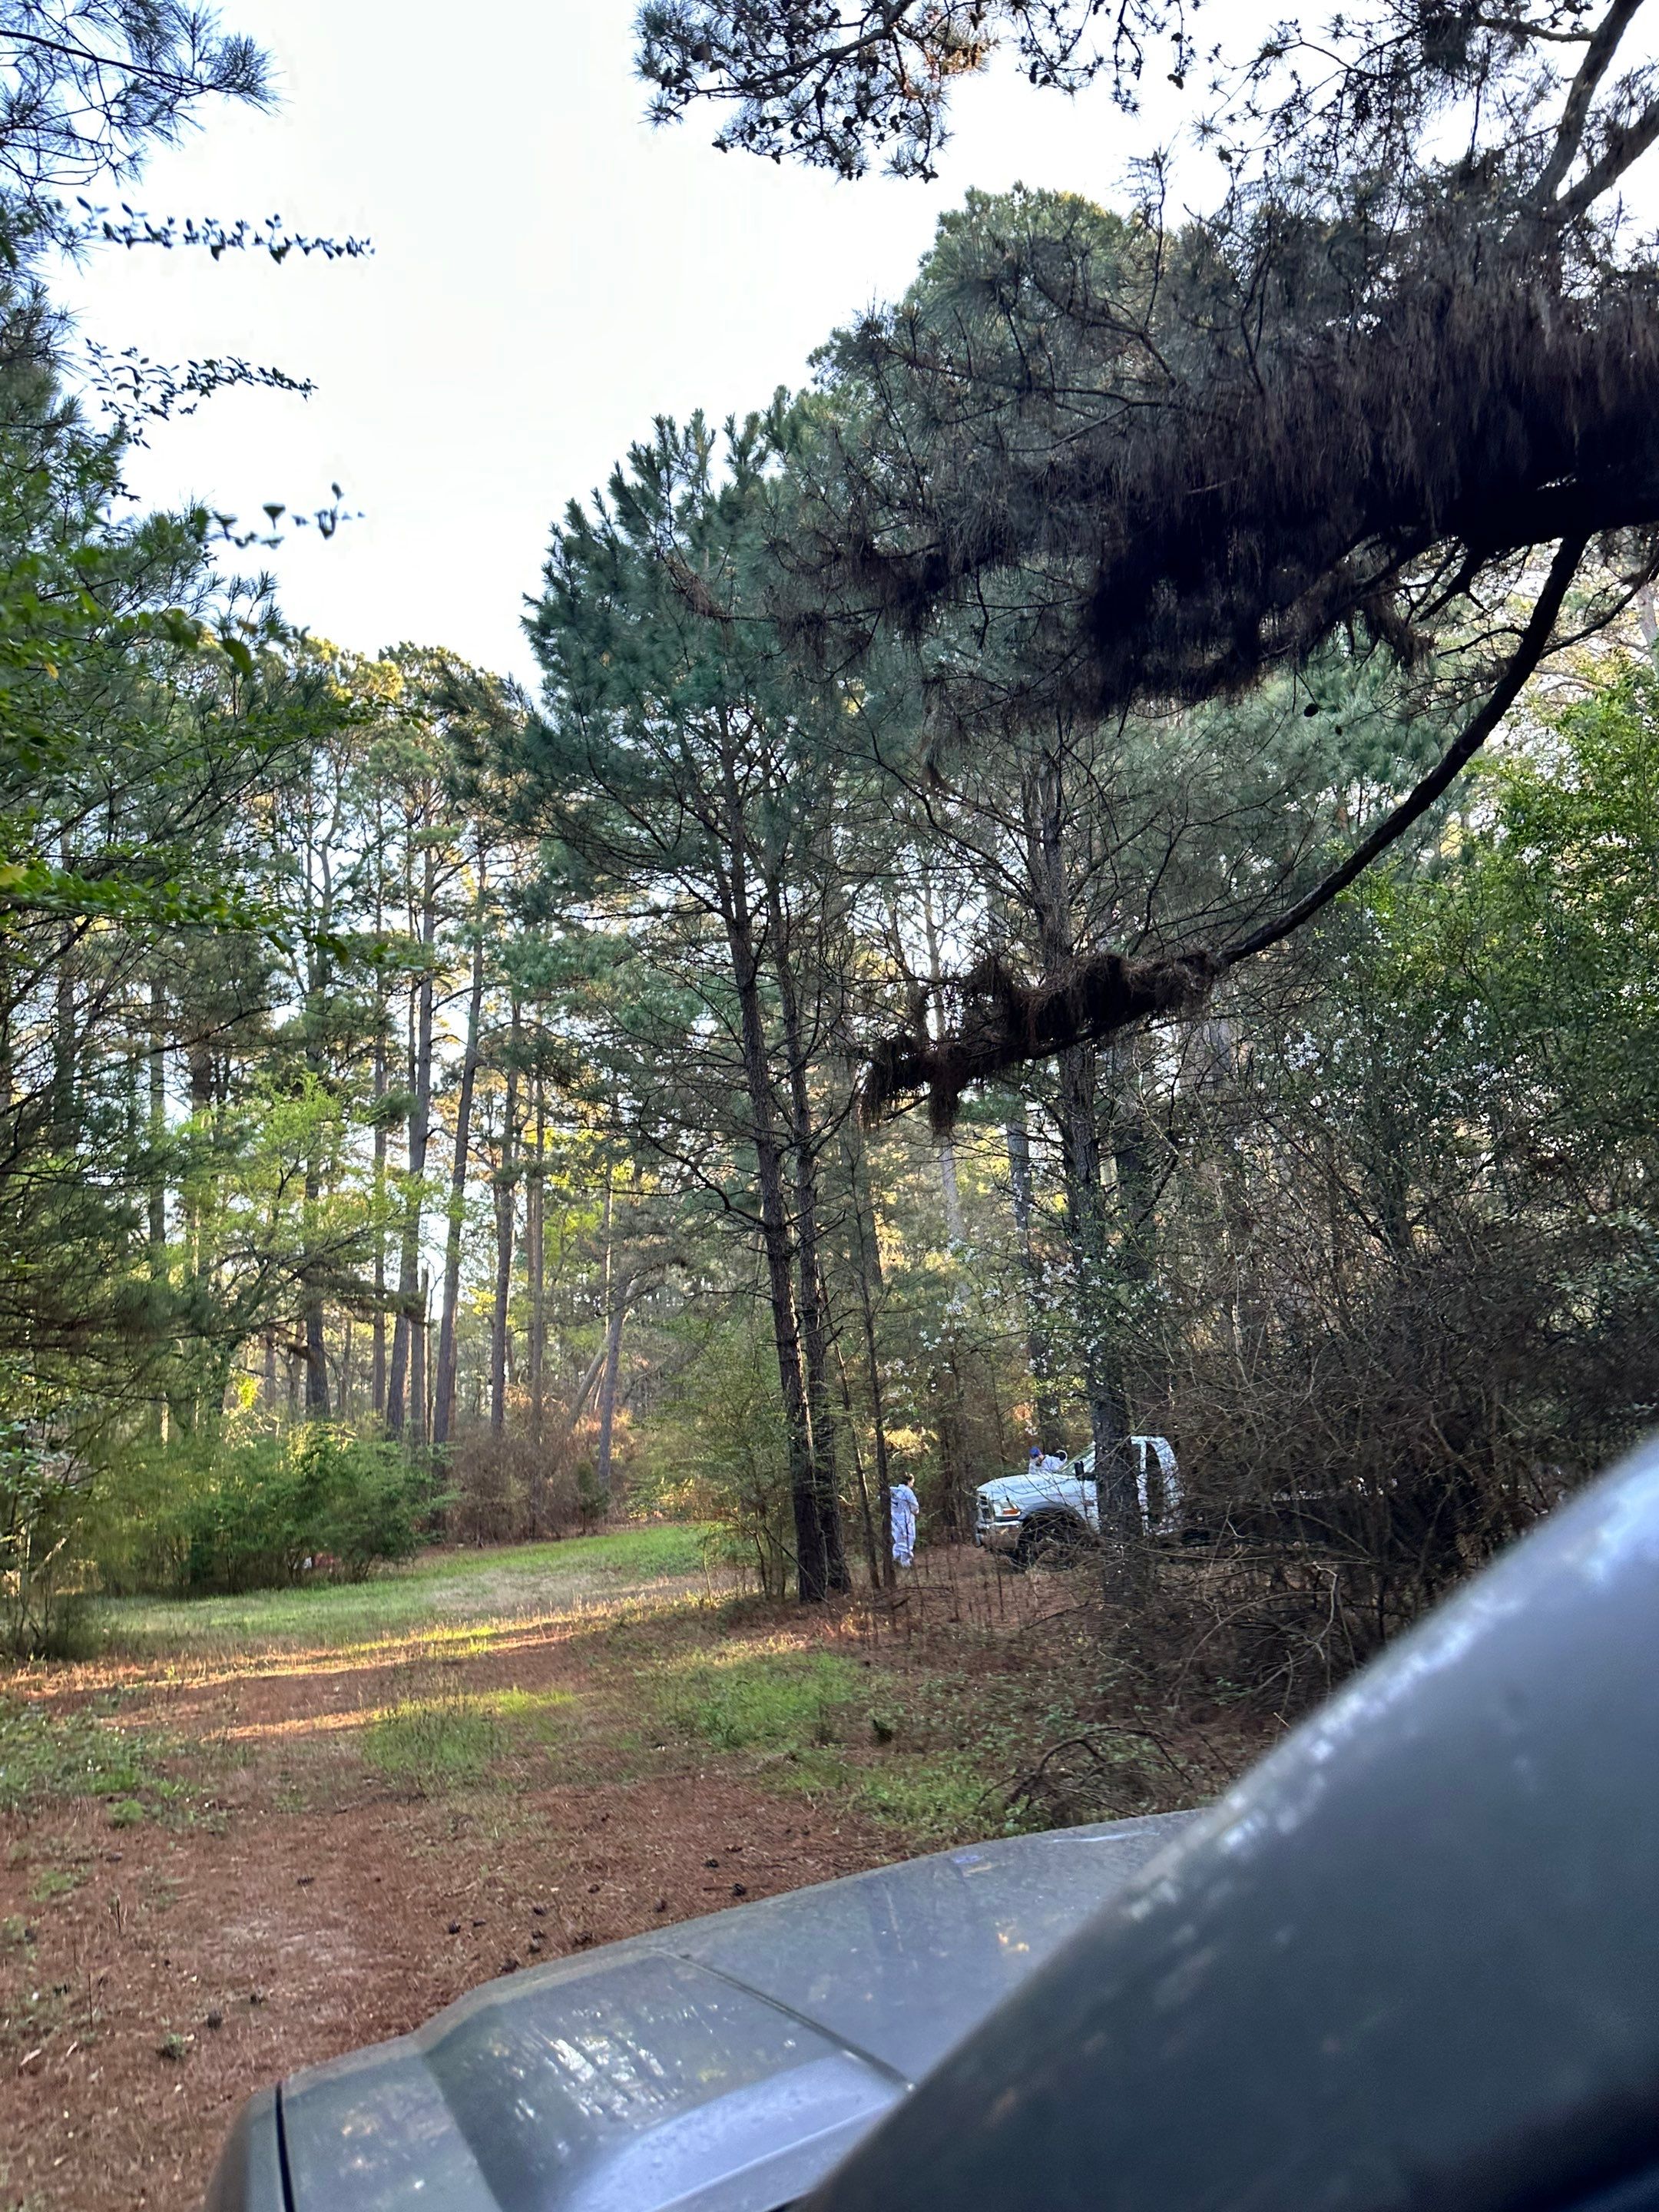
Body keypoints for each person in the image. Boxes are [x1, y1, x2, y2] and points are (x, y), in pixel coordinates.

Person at [889, 1479, 920, 1568]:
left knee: (898, 1539)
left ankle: (896, 1558)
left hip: (894, 1519)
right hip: (906, 1519)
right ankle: (905, 1562)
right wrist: (915, 1511)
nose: (912, 1485)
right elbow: (915, 1507)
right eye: (912, 1482)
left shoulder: (893, 1491)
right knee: (908, 1538)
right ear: (908, 1481)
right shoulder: (907, 1491)